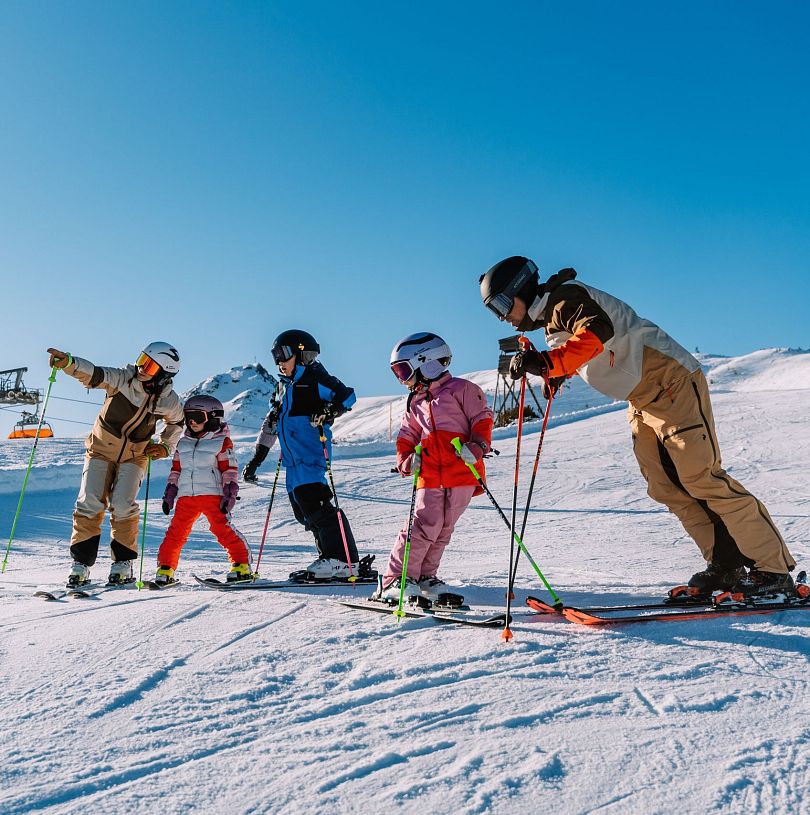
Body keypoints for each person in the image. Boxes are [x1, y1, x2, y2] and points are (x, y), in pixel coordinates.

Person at [479, 256, 796, 597]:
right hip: (642, 398)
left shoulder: (564, 299)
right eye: (493, 310)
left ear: (520, 289)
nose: (501, 316)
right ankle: (726, 564)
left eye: (501, 304)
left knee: (701, 477)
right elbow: (581, 350)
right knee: (665, 486)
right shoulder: (552, 315)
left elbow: (597, 331)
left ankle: (772, 569)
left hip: (669, 381)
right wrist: (555, 371)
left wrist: (549, 363)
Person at [46, 342, 185, 586]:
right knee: (89, 501)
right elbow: (96, 373)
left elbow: (177, 424)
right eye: (142, 359)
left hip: (135, 455)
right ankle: (80, 564)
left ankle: (123, 563)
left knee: (122, 504)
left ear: (164, 373)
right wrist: (69, 363)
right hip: (100, 449)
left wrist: (165, 446)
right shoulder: (124, 379)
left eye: (149, 365)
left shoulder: (168, 401)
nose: (141, 367)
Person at [374, 332, 493, 604]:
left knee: (443, 528)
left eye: (404, 370)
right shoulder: (415, 403)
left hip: (462, 472)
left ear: (426, 363)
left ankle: (425, 576)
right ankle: (398, 579)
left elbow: (482, 420)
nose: (403, 379)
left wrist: (476, 447)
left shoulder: (463, 390)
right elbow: (406, 437)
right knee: (424, 525)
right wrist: (406, 461)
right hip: (429, 475)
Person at [242, 329, 362, 580]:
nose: (278, 361)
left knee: (317, 506)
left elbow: (347, 396)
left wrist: (329, 411)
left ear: (301, 353)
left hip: (310, 455)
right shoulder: (282, 388)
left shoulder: (315, 377)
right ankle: (330, 560)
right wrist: (257, 459)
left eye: (283, 354)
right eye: (275, 355)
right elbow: (271, 423)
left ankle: (344, 560)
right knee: (304, 512)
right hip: (291, 463)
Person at [154, 395, 251, 585]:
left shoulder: (222, 442)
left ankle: (241, 565)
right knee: (176, 533)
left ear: (213, 417)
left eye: (197, 417)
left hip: (212, 496)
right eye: (187, 416)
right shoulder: (183, 443)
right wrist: (170, 493)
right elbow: (176, 470)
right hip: (186, 498)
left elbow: (229, 470)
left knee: (222, 529)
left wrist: (229, 494)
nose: (191, 422)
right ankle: (165, 568)